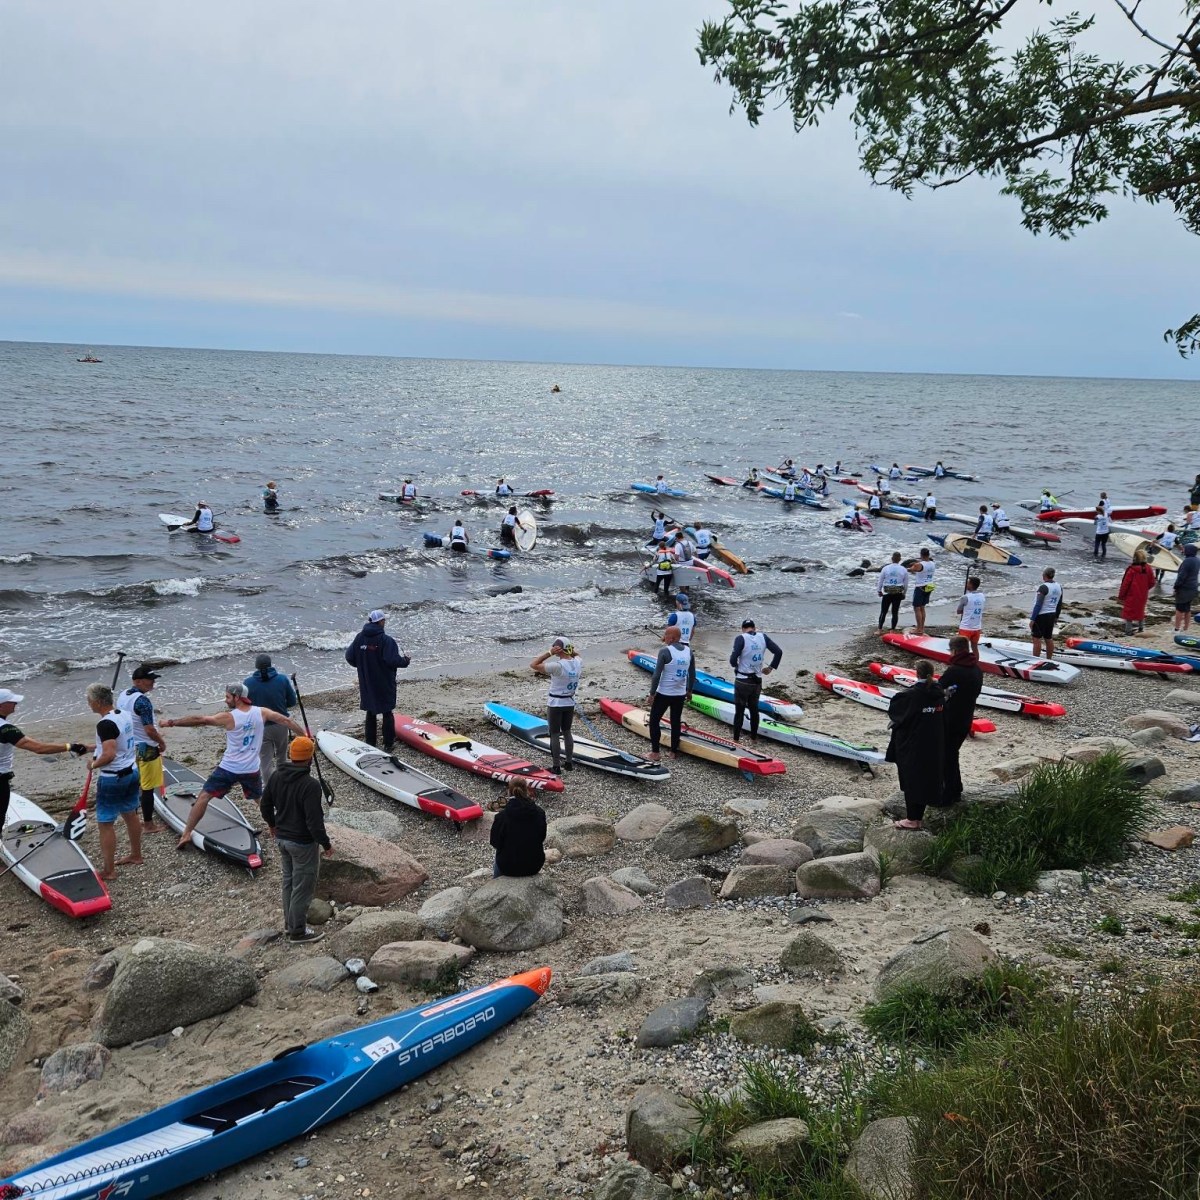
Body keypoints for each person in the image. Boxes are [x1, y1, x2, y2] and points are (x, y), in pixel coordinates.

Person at [162, 684, 306, 851]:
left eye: (228, 697)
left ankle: (187, 833)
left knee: (203, 797)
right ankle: (274, 828)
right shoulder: (262, 712)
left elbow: (200, 720)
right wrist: (305, 736)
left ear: (237, 697)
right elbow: (287, 721)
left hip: (228, 769)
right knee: (260, 800)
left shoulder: (229, 717)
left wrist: (171, 722)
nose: (225, 700)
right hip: (251, 770)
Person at [259, 735, 331, 944]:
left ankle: (289, 923)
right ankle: (298, 931)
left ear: (291, 755)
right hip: (303, 843)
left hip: (282, 839)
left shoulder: (275, 776)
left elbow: (265, 805)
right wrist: (325, 843)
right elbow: (314, 821)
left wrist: (272, 824)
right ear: (310, 758)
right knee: (303, 886)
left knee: (288, 882)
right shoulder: (310, 785)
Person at [0, 689, 86, 830]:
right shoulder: (6, 729)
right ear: (1, 705)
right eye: (12, 701)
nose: (16, 703)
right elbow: (39, 748)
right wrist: (70, 746)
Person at [84, 683, 142, 880]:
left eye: (90, 700)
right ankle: (136, 855)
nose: (88, 703)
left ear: (98, 702)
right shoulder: (124, 714)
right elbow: (118, 741)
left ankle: (109, 871)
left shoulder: (105, 724)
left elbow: (109, 754)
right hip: (132, 771)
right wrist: (92, 747)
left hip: (113, 777)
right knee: (130, 813)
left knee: (105, 822)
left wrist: (93, 765)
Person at [886, 659, 945, 830]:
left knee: (911, 779)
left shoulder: (910, 695)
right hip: (933, 743)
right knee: (926, 778)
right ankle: (917, 817)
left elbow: (896, 713)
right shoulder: (939, 695)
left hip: (913, 744)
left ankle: (913, 819)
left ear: (916, 673)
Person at [344, 609, 410, 749]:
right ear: (380, 622)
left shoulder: (359, 638)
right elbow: (392, 660)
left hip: (366, 681)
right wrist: (405, 661)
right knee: (387, 711)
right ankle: (388, 744)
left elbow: (349, 657)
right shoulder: (386, 640)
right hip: (384, 681)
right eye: (384, 620)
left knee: (370, 711)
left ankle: (370, 743)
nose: (384, 622)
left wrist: (361, 665)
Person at [115, 665, 168, 833]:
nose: (152, 683)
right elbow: (149, 730)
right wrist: (161, 742)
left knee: (135, 784)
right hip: (146, 748)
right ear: (137, 681)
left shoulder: (123, 695)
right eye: (149, 680)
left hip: (129, 746)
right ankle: (148, 825)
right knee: (147, 788)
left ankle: (133, 821)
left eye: (153, 679)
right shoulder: (143, 701)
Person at [940, 636, 982, 806]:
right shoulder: (977, 669)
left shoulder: (954, 671)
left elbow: (938, 688)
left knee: (946, 756)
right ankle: (955, 788)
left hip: (951, 718)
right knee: (952, 754)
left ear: (955, 651)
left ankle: (949, 794)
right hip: (966, 717)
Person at [244, 653, 298, 785]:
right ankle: (283, 783)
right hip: (281, 724)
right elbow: (292, 702)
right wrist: (280, 705)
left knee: (265, 761)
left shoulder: (248, 683)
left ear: (256, 666)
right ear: (270, 664)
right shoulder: (282, 679)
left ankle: (270, 788)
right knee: (282, 756)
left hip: (260, 727)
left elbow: (244, 707)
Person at [531, 639, 580, 774]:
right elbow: (576, 654)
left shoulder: (557, 666)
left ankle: (556, 766)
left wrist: (549, 653)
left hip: (556, 704)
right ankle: (569, 763)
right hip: (569, 702)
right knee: (567, 731)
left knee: (554, 734)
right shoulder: (578, 662)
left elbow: (533, 664)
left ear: (558, 649)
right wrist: (568, 650)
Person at [729, 618, 782, 742]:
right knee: (754, 709)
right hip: (757, 681)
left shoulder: (741, 638)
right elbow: (778, 652)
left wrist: (736, 666)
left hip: (743, 680)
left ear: (743, 629)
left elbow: (732, 660)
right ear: (754, 628)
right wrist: (770, 668)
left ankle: (736, 740)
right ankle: (753, 738)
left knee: (739, 711)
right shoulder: (763, 637)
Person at [646, 626, 695, 760]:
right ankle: (673, 752)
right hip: (680, 694)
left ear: (672, 638)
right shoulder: (689, 651)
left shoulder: (665, 651)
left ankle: (655, 753)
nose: (664, 637)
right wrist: (689, 691)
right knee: (675, 721)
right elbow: (692, 674)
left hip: (664, 693)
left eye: (666, 635)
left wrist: (652, 694)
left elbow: (656, 675)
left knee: (654, 721)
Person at [490, 778, 546, 877]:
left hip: (508, 867)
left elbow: (495, 842)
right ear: (526, 790)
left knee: (499, 854)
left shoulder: (501, 817)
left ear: (509, 792)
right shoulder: (540, 812)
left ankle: (496, 882)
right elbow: (542, 837)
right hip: (534, 865)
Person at [1118, 549, 1155, 635]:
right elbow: (1152, 582)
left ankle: (1128, 631)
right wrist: (1145, 588)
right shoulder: (1148, 568)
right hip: (1143, 594)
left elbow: (1125, 584)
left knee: (1129, 613)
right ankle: (1141, 628)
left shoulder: (1131, 570)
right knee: (1141, 610)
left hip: (1131, 594)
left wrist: (1121, 596)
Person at [1029, 567, 1063, 658]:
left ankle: (1035, 659)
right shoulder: (1059, 586)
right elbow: (1059, 603)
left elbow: (1038, 604)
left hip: (1041, 615)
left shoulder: (1043, 587)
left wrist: (1032, 619)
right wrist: (1056, 616)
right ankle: (1049, 659)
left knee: (1036, 638)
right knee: (1048, 638)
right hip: (1052, 614)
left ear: (1044, 575)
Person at [877, 551, 908, 632]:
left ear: (892, 559)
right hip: (898, 592)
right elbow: (906, 584)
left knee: (883, 611)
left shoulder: (885, 568)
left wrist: (879, 591)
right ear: (900, 559)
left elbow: (880, 581)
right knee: (895, 612)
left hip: (887, 592)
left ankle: (879, 629)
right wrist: (904, 593)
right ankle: (892, 630)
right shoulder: (903, 569)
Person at [910, 547, 936, 635]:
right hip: (930, 585)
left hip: (921, 586)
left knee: (917, 608)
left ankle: (919, 629)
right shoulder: (932, 563)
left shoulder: (919, 564)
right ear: (928, 555)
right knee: (922, 607)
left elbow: (911, 569)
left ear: (921, 555)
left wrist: (914, 564)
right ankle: (922, 627)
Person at [1173, 544, 1199, 632]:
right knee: (1187, 608)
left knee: (1179, 609)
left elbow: (1182, 576)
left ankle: (1176, 629)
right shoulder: (1197, 560)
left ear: (1189, 551)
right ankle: (1186, 628)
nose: (1183, 550)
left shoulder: (1187, 561)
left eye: (1184, 549)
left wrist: (1176, 587)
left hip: (1185, 588)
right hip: (1193, 587)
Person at [956, 576, 986, 648]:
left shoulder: (965, 597)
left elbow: (958, 611)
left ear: (971, 585)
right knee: (974, 647)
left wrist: (966, 610)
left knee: (961, 648)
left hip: (966, 627)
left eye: (967, 583)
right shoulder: (982, 596)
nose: (966, 585)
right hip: (977, 627)